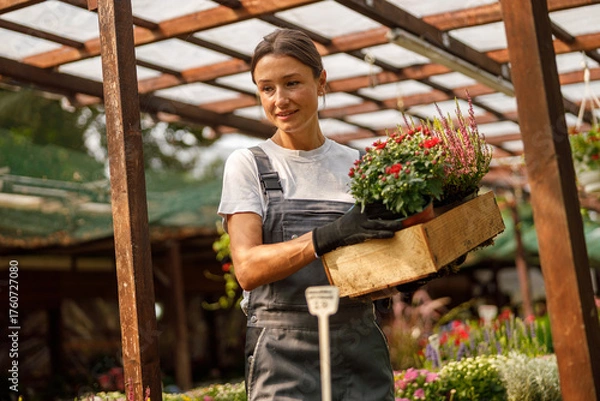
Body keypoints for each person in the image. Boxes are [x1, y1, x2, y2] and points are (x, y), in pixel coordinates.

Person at [218, 28, 404, 400]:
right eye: (266, 88)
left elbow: (380, 264)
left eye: (291, 83)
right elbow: (248, 268)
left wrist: (408, 272)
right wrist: (327, 236)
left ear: (321, 83)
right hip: (282, 351)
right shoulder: (250, 165)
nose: (280, 100)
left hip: (358, 344)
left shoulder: (360, 165)